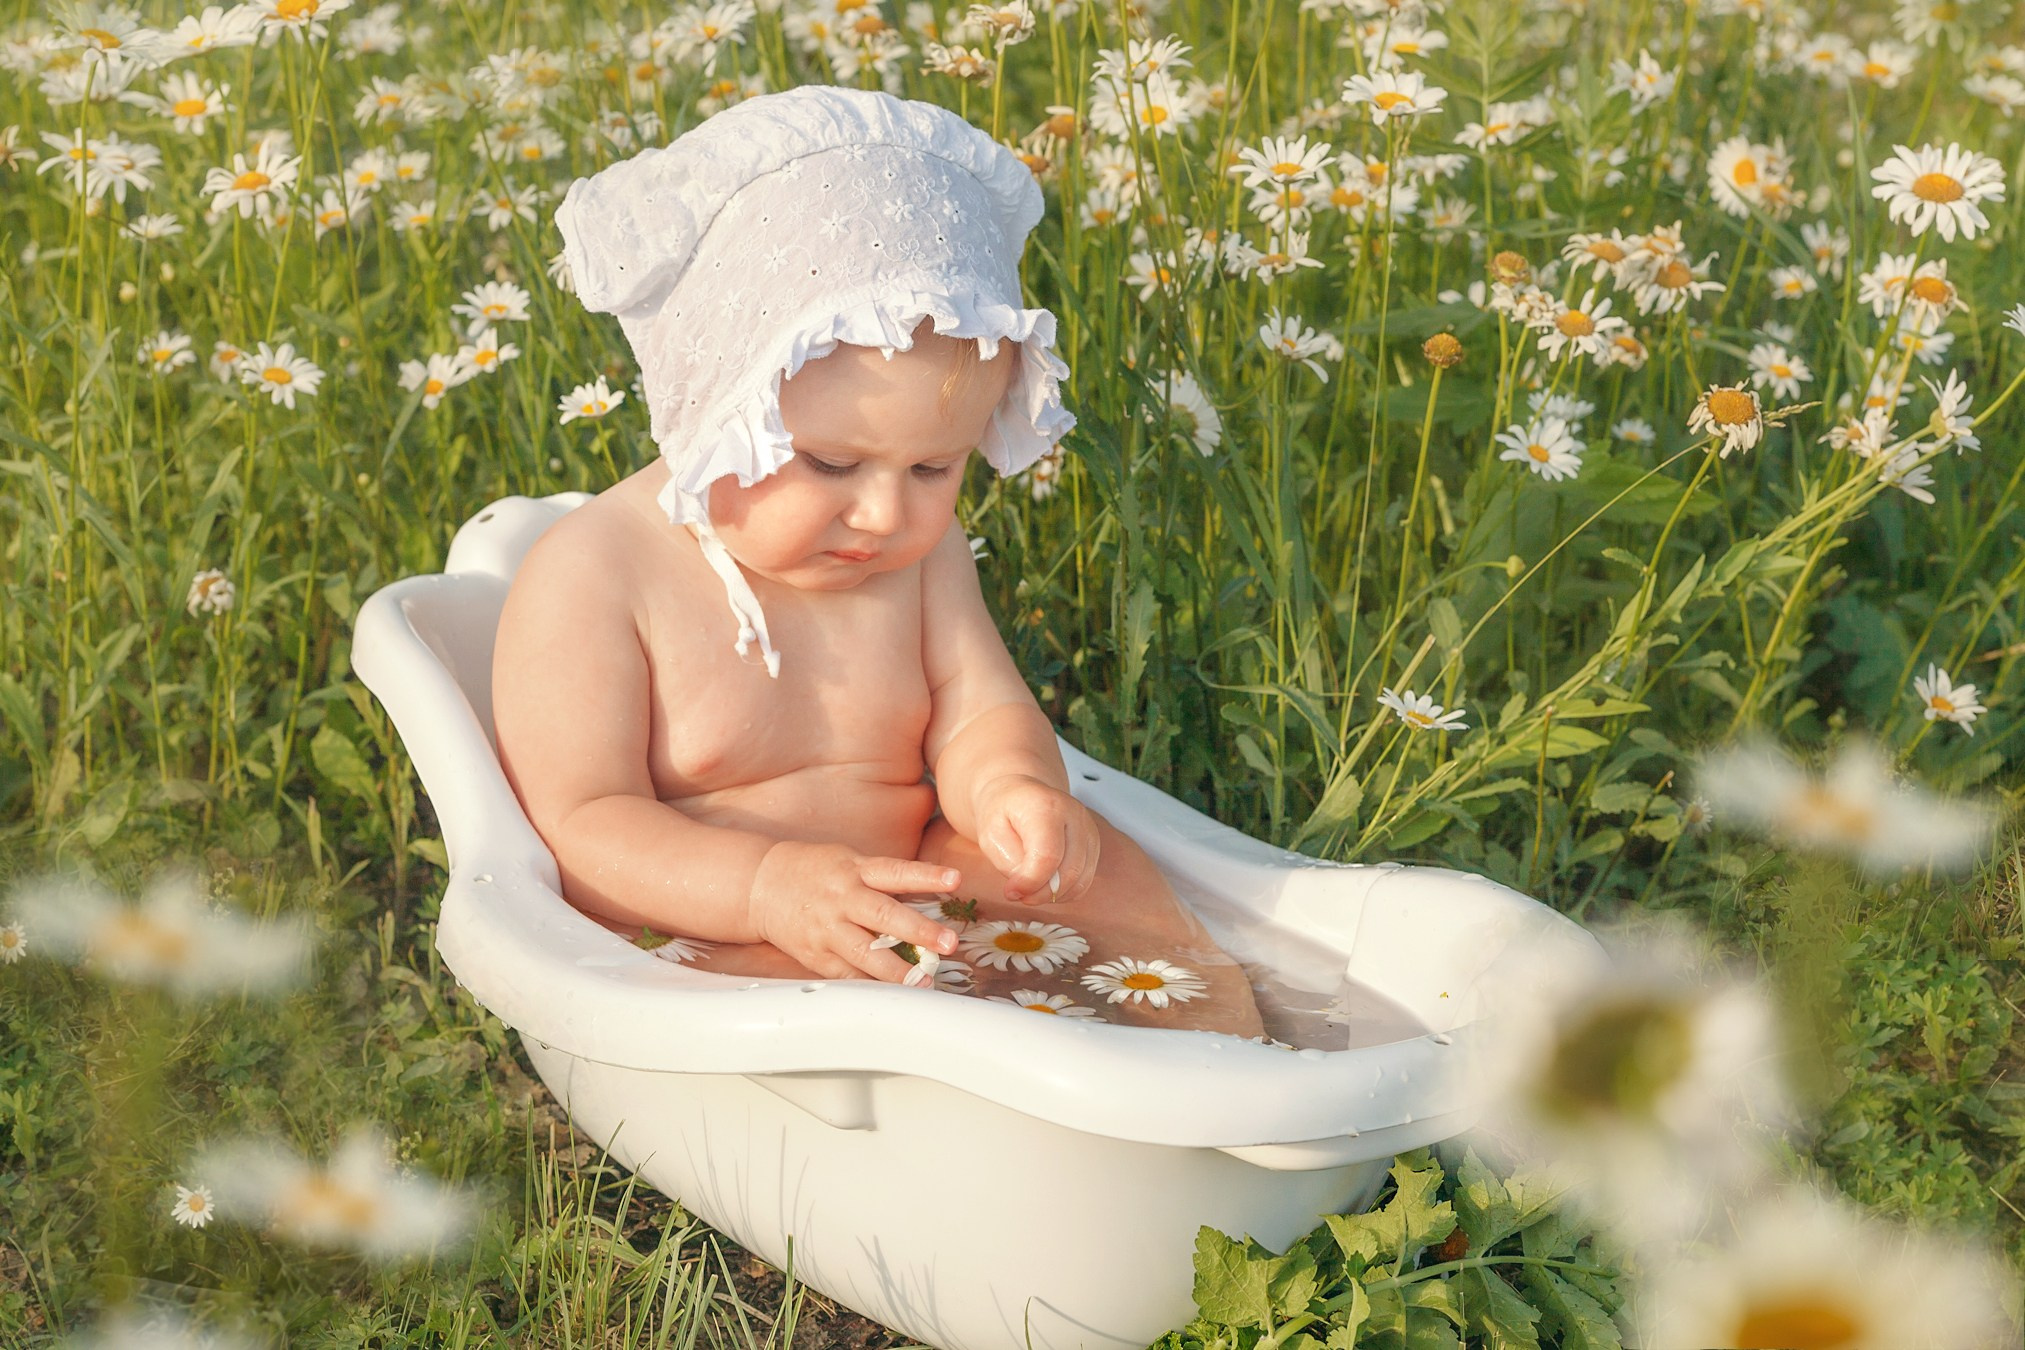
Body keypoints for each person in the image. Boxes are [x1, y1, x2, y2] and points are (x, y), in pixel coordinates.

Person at [493, 85, 1264, 1037]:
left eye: (934, 467)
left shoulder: (916, 562)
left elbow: (981, 712)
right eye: (829, 462)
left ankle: (1226, 1058)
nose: (885, 513)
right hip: (704, 923)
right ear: (713, 405)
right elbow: (579, 825)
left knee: (1102, 877)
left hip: (916, 875)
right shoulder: (596, 575)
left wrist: (1010, 792)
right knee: (820, 1004)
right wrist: (763, 888)